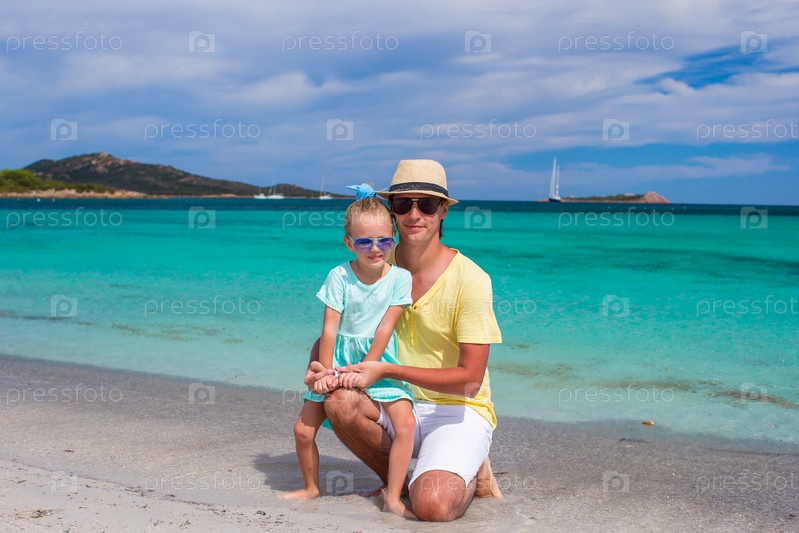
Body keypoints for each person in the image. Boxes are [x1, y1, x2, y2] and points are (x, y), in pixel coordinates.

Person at [306, 160, 503, 522]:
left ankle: (472, 470)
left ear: (443, 211)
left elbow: (471, 381)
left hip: (455, 409)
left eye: (426, 204)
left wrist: (387, 370)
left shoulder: (472, 280)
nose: (414, 214)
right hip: (394, 399)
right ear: (391, 210)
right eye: (402, 204)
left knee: (432, 506)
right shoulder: (374, 260)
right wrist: (319, 370)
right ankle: (395, 483)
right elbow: (337, 332)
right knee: (340, 401)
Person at [283, 184, 417, 519]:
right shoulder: (339, 275)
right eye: (364, 242)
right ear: (349, 243)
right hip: (337, 360)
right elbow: (329, 328)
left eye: (384, 241)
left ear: (393, 240)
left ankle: (394, 497)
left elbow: (386, 328)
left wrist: (366, 368)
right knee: (302, 430)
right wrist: (325, 372)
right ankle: (311, 487)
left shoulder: (400, 278)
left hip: (379, 360)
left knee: (406, 425)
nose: (375, 249)